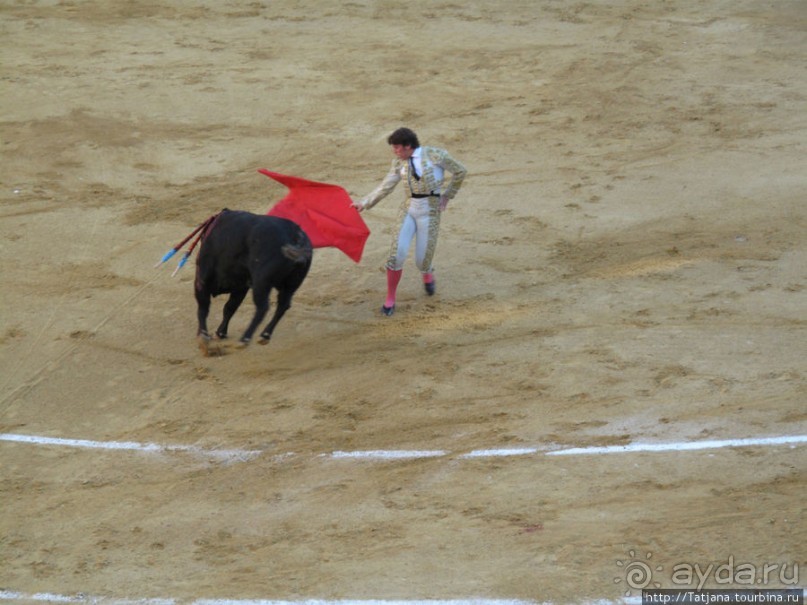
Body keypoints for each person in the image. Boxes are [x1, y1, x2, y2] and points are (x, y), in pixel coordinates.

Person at [353, 127, 467, 316]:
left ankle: (427, 271)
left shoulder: (435, 155)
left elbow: (460, 171)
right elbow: (385, 186)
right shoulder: (399, 163)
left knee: (422, 260)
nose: (394, 152)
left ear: (408, 147)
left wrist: (447, 195)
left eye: (397, 148)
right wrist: (364, 203)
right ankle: (390, 299)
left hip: (430, 212)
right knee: (396, 256)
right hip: (409, 208)